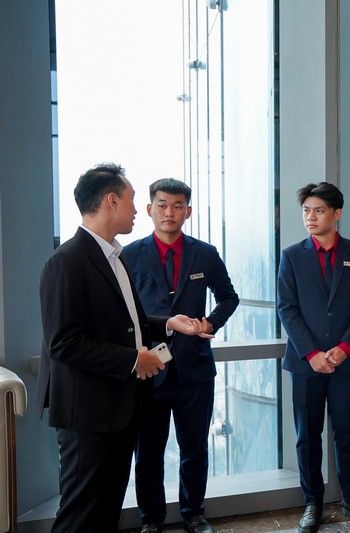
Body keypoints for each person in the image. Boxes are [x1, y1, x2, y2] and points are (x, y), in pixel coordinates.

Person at [32, 163, 210, 533]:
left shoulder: (114, 256)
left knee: (104, 512)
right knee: (81, 515)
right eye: (131, 200)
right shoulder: (66, 261)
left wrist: (168, 324)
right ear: (111, 201)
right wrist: (134, 360)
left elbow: (130, 321)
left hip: (116, 408)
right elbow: (64, 343)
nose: (136, 210)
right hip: (87, 415)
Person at [124, 178, 240, 533]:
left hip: (195, 369)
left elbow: (228, 297)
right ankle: (151, 519)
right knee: (148, 452)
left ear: (188, 211)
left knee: (195, 449)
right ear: (149, 209)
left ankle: (194, 512)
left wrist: (211, 323)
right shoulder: (130, 254)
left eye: (177, 206)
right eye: (162, 205)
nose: (169, 213)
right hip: (149, 369)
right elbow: (123, 311)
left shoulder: (205, 253)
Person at [277, 182, 350, 533]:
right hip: (306, 363)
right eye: (306, 210)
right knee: (307, 436)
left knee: (347, 433)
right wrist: (311, 353)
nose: (311, 216)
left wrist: (345, 347)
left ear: (336, 214)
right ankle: (312, 503)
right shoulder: (292, 255)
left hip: (346, 362)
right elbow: (287, 309)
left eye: (318, 210)